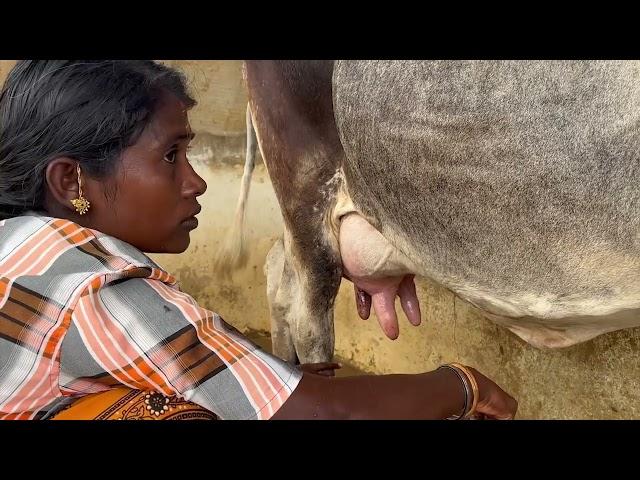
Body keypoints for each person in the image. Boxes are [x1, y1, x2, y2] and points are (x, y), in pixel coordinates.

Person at [0, 60, 517, 420]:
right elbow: (326, 414)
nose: (195, 182)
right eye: (170, 156)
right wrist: (462, 384)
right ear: (72, 183)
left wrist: (275, 381)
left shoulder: (19, 243)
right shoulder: (102, 290)